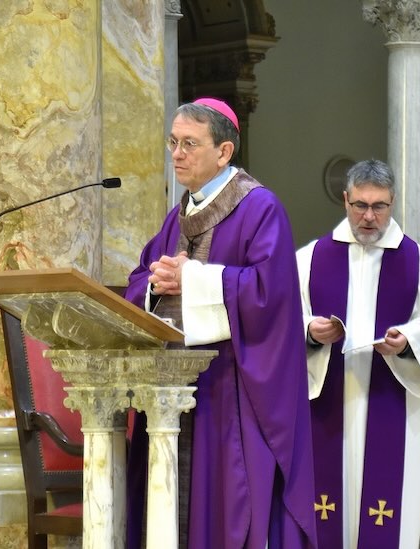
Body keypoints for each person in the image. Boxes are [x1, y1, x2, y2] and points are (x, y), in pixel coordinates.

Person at [124, 97, 317, 548]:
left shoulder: (259, 207)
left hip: (230, 391)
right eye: (173, 142)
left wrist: (192, 278)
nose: (177, 153)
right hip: (174, 393)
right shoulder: (179, 216)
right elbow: (141, 278)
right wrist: (156, 284)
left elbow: (271, 294)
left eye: (190, 143)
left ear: (224, 152)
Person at [295, 159, 420, 549]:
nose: (369, 217)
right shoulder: (312, 258)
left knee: (383, 512)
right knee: (327, 510)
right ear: (345, 200)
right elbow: (277, 316)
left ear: (393, 203)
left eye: (380, 206)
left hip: (390, 403)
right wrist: (309, 330)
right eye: (360, 205)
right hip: (327, 405)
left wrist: (408, 339)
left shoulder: (415, 260)